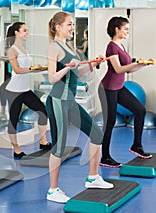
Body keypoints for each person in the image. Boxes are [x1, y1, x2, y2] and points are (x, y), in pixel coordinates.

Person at [45, 11, 113, 204]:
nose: (73, 28)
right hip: (57, 101)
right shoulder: (53, 47)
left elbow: (77, 74)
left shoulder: (68, 46)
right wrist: (67, 67)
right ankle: (52, 190)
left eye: (73, 24)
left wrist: (92, 64)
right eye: (69, 24)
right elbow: (51, 77)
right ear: (58, 27)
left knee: (97, 134)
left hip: (70, 101)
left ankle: (92, 177)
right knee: (59, 147)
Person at [98, 16, 152, 168]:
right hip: (107, 88)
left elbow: (126, 70)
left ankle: (137, 146)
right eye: (125, 29)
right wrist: (135, 63)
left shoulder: (121, 46)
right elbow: (118, 69)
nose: (128, 31)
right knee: (110, 122)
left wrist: (142, 65)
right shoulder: (112, 47)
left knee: (140, 110)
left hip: (119, 87)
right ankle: (105, 157)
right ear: (117, 29)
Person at [5, 22, 51, 159]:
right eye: (24, 30)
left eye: (27, 30)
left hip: (25, 90)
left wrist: (41, 68)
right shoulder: (12, 50)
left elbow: (27, 67)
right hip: (14, 91)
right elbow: (17, 70)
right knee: (14, 120)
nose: (27, 33)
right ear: (16, 33)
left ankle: (43, 141)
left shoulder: (23, 49)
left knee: (42, 111)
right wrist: (32, 69)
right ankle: (16, 150)